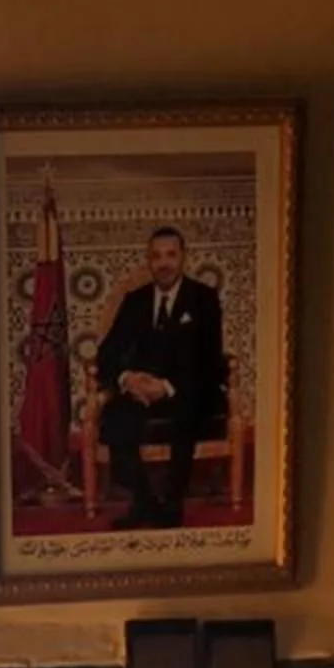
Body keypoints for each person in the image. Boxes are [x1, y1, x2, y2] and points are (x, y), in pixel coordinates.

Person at [80, 226, 228, 528]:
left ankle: (172, 506)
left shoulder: (203, 298)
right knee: (116, 415)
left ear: (183, 258)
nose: (164, 263)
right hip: (141, 391)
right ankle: (144, 502)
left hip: (187, 390)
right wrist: (127, 378)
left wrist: (167, 386)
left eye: (171, 255)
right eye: (157, 256)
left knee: (186, 411)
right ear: (149, 260)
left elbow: (210, 359)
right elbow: (107, 353)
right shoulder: (135, 300)